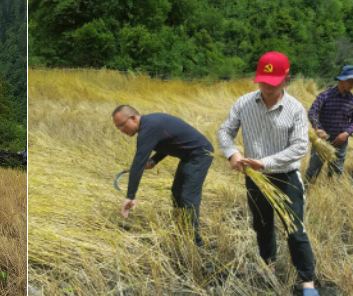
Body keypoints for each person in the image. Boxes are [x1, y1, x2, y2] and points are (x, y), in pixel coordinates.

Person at [218, 52, 317, 295]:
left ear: (287, 79)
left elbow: (300, 147)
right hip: (254, 178)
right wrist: (233, 153)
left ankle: (307, 282)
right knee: (262, 224)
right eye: (263, 82)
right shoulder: (243, 103)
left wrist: (265, 162)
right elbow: (225, 131)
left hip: (286, 177)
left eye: (273, 83)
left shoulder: (295, 109)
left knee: (295, 229)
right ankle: (268, 266)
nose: (268, 88)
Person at [113, 106, 214, 247]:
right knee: (176, 193)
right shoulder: (150, 124)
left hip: (200, 154)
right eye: (118, 127)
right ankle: (183, 231)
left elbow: (138, 164)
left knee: (188, 197)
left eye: (122, 125)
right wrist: (155, 160)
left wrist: (130, 196)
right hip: (188, 156)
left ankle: (195, 243)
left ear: (133, 118)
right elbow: (169, 140)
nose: (122, 130)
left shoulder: (148, 128)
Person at [306, 65, 353, 183]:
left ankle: (333, 193)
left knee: (336, 172)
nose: (352, 84)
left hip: (340, 141)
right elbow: (312, 112)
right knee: (313, 170)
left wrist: (346, 133)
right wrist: (318, 128)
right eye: (350, 81)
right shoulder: (325, 95)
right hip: (322, 140)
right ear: (341, 79)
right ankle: (306, 191)